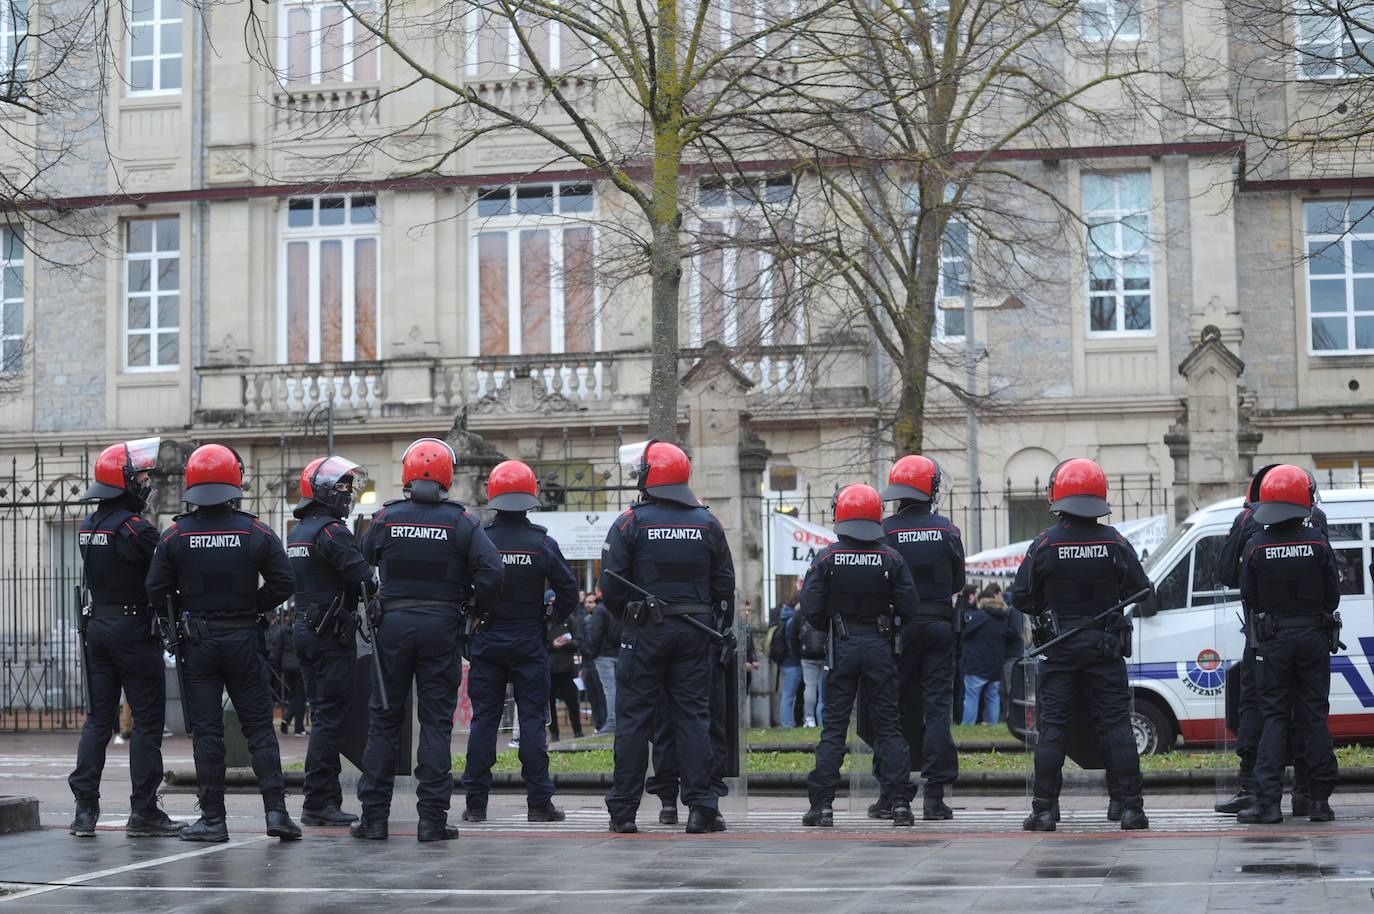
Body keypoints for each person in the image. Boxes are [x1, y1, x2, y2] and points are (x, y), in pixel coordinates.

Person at [145, 443, 300, 843]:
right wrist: (253, 606)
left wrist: (184, 613)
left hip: (199, 643)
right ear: (235, 483)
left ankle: (213, 819)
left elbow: (156, 589)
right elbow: (284, 582)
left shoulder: (175, 535)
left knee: (209, 733)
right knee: (260, 730)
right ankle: (277, 814)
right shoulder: (256, 532)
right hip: (244, 640)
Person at [352, 437, 503, 842]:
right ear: (446, 478)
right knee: (436, 724)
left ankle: (373, 818)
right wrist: (473, 611)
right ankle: (432, 820)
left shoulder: (384, 519)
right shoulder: (463, 522)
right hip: (441, 627)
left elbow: (362, 560)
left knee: (384, 722)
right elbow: (493, 573)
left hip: (394, 628)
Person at [1008, 458, 1151, 832]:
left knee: (1053, 728)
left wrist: (1048, 608)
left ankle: (1044, 810)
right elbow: (1142, 589)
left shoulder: (1045, 542)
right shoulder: (1115, 541)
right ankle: (1131, 808)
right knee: (1116, 726)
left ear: (1058, 495)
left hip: (1060, 646)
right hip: (1105, 646)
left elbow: (1021, 597)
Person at [600, 440, 735, 835]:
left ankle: (624, 811)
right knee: (694, 717)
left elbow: (610, 586)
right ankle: (700, 807)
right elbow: (724, 586)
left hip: (644, 632)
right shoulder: (707, 523)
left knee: (634, 721)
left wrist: (630, 618)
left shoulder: (630, 522)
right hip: (695, 632)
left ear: (648, 477)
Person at [68, 437, 184, 839]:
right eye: (141, 476)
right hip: (133, 630)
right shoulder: (136, 528)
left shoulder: (90, 525)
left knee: (98, 720)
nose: (147, 481)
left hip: (98, 627)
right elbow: (165, 577)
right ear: (123, 482)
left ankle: (85, 811)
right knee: (148, 722)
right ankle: (144, 811)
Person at [461, 460, 578, 823]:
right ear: (531, 498)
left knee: (484, 722)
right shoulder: (542, 542)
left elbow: (463, 587)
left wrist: (474, 615)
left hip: (488, 638)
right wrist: (549, 620)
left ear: (492, 497)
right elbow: (569, 593)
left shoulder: (479, 539)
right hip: (528, 639)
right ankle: (539, 802)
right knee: (532, 720)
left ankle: (476, 804)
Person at [801, 484, 918, 828]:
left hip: (843, 644)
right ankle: (899, 803)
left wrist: (835, 623)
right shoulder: (892, 557)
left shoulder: (826, 557)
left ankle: (822, 805)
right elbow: (911, 607)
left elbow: (811, 608)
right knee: (889, 727)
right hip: (879, 645)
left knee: (834, 728)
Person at [1216, 464, 1329, 816]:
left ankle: (1260, 793)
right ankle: (1313, 796)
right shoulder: (1317, 525)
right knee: (1312, 714)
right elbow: (1332, 591)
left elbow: (1231, 579)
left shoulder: (1251, 527)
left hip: (1266, 638)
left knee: (1267, 712)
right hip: (1312, 635)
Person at [872, 455, 965, 821]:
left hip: (897, 630)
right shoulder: (949, 531)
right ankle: (935, 796)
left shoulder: (883, 531)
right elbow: (957, 581)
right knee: (937, 709)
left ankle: (891, 793)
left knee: (891, 710)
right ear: (932, 489)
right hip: (939, 626)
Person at [287, 454, 376, 827]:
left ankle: (322, 798)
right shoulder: (331, 531)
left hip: (305, 629)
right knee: (330, 718)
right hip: (330, 633)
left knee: (320, 712)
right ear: (323, 492)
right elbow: (365, 580)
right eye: (341, 487)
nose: (347, 494)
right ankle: (319, 801)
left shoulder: (299, 532)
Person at [961, 584, 1020, 724]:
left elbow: (966, 634)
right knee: (993, 697)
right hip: (995, 664)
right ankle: (993, 725)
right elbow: (1011, 635)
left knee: (971, 697)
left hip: (976, 664)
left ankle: (968, 726)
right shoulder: (1002, 620)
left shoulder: (977, 618)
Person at [583, 590, 622, 735]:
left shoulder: (600, 610)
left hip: (604, 654)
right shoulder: (620, 607)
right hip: (619, 652)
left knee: (609, 690)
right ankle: (618, 720)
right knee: (618, 689)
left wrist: (590, 653)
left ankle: (612, 721)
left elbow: (595, 634)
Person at [547, 592, 584, 741]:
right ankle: (554, 734)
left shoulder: (571, 620)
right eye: (550, 601)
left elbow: (578, 642)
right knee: (550, 704)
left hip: (567, 669)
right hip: (549, 669)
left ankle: (578, 731)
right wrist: (552, 644)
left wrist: (567, 642)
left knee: (572, 702)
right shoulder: (545, 621)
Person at [267, 609, 306, 736]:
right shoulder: (302, 627)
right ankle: (299, 728)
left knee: (294, 695)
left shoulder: (284, 629)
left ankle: (286, 719)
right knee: (300, 696)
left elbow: (278, 649)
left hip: (286, 666)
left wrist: (279, 668)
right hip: (299, 665)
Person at [580, 593, 608, 731]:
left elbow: (596, 639)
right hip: (588, 663)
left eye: (591, 602)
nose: (588, 605)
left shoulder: (601, 616)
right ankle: (598, 726)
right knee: (593, 697)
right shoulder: (585, 620)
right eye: (586, 602)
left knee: (602, 695)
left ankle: (604, 724)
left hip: (598, 660)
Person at [774, 594, 803, 727]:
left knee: (788, 695)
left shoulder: (785, 616)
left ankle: (788, 722)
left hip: (785, 662)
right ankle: (787, 724)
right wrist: (799, 656)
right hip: (792, 662)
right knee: (789, 695)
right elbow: (792, 642)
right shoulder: (793, 619)